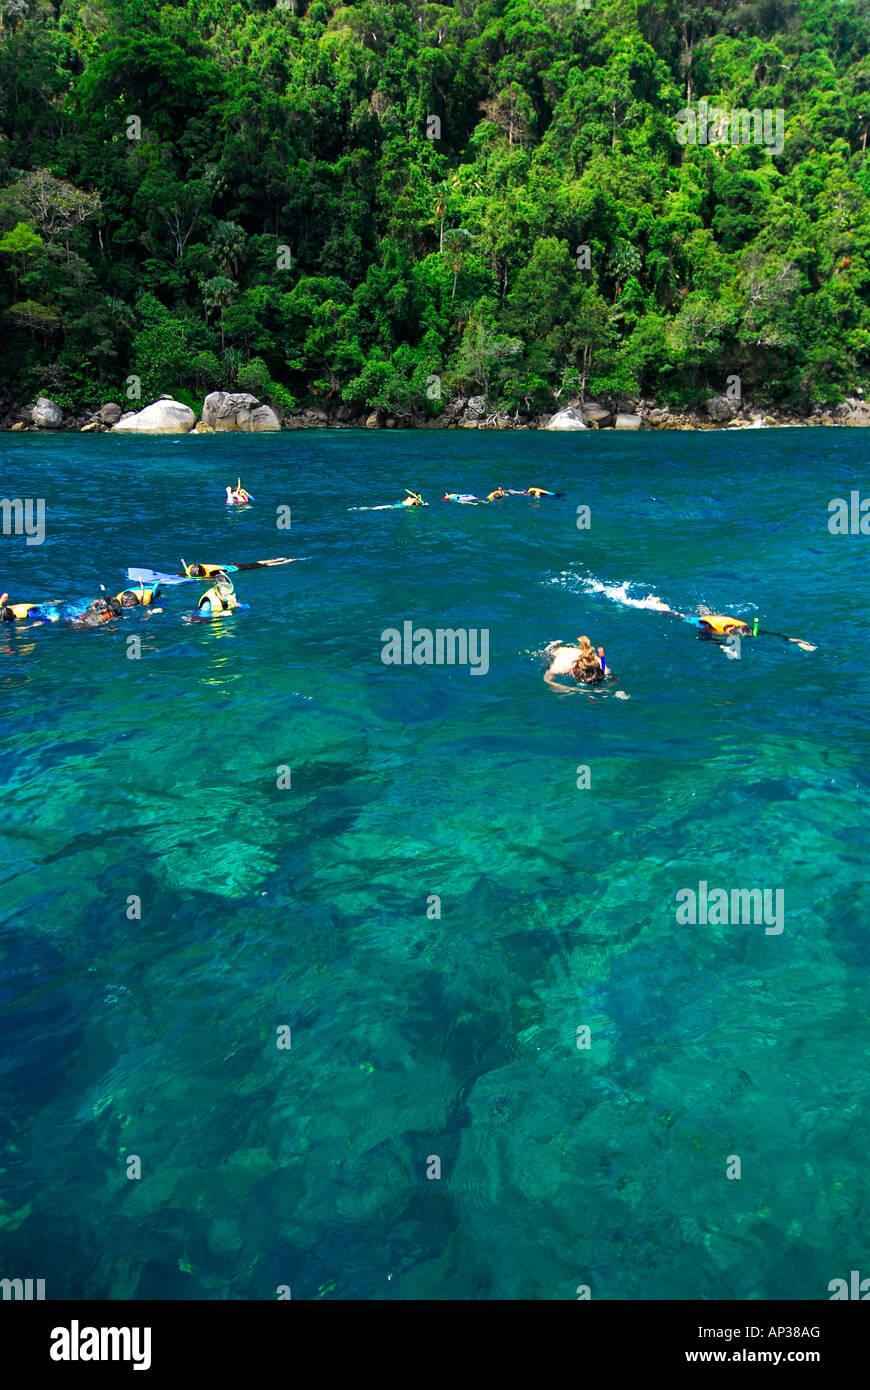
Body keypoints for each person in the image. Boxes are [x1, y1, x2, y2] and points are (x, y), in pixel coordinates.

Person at [543, 635, 613, 690]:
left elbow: (615, 679)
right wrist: (569, 689)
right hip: (555, 651)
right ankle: (554, 644)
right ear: (574, 668)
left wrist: (605, 688)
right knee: (547, 654)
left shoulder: (602, 668)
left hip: (579, 652)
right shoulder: (561, 666)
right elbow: (547, 680)